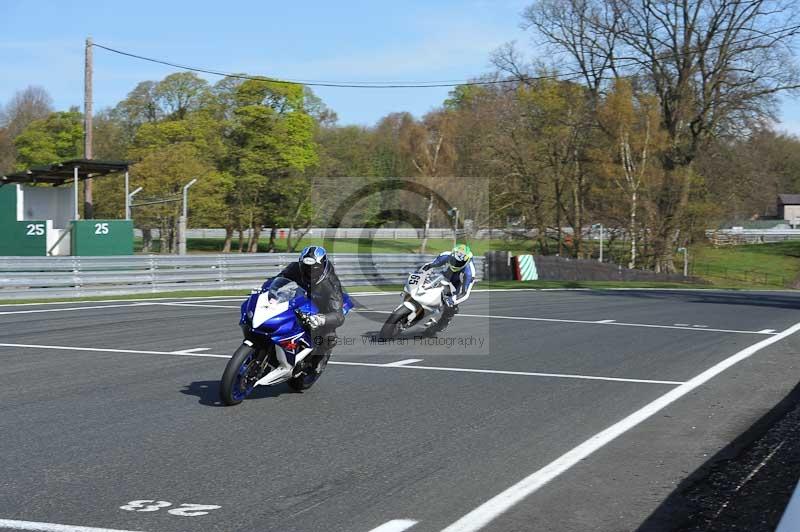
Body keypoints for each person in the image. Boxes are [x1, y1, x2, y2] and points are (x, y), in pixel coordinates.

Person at [272, 245, 345, 375]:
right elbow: (277, 281)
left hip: (324, 305)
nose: (310, 272)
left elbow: (339, 316)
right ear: (301, 264)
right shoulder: (294, 268)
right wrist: (269, 292)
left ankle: (317, 362)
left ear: (322, 266)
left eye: (314, 269)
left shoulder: (331, 283)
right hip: (302, 297)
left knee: (328, 337)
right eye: (306, 268)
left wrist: (321, 319)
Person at [420, 244, 476, 328]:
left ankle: (443, 323)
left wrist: (452, 300)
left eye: (459, 262)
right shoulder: (446, 255)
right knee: (426, 285)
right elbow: (430, 265)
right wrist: (420, 274)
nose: (456, 264)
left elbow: (465, 293)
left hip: (458, 285)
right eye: (454, 260)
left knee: (451, 306)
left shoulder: (470, 273)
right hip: (444, 276)